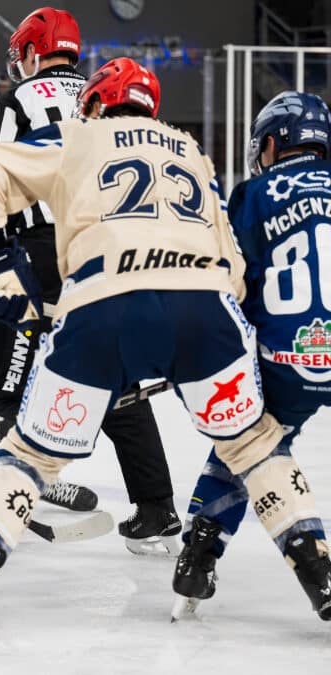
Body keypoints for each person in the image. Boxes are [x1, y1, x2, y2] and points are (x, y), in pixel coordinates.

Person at [0, 58, 330, 646]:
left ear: (94, 104)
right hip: (205, 313)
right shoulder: (192, 152)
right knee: (256, 446)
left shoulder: (81, 137)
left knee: (30, 457)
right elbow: (235, 270)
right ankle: (320, 575)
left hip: (104, 306)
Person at [0, 7, 180, 555]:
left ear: (31, 50)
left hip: (38, 257)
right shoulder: (104, 94)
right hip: (103, 255)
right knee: (119, 387)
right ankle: (157, 509)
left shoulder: (16, 102)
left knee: (1, 390)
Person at [173, 91, 331, 618]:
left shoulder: (255, 193)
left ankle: (201, 550)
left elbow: (232, 282)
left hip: (289, 359)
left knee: (250, 446)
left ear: (270, 142)